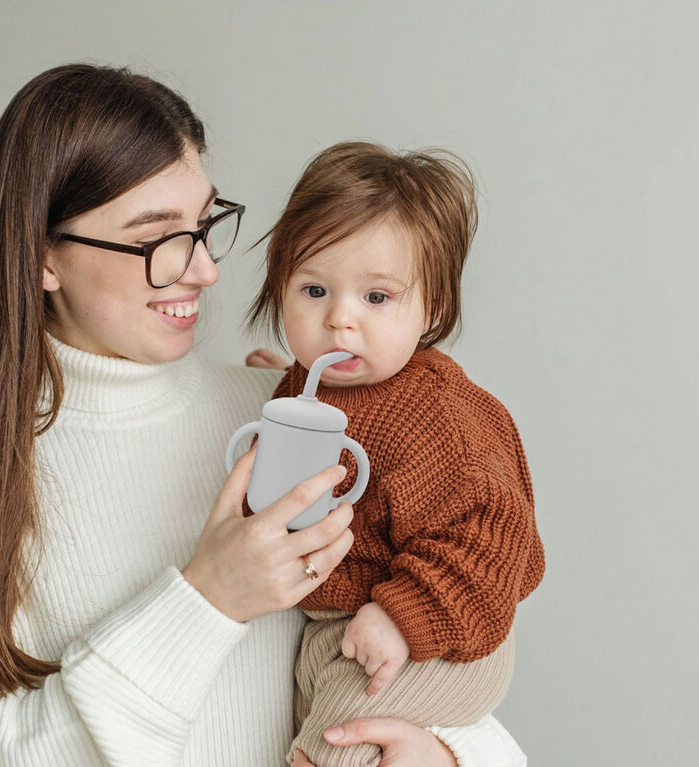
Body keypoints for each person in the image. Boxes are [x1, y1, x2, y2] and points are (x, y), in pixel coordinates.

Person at [0, 64, 528, 766]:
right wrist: (206, 598)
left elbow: (434, 670)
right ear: (43, 258)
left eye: (204, 223)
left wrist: (449, 758)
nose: (205, 270)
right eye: (158, 238)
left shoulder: (284, 415)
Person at [245, 142, 545, 766]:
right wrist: (278, 382)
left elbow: (491, 536)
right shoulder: (311, 386)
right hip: (342, 630)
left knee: (331, 754)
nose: (339, 320)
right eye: (314, 289)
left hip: (440, 628)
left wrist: (401, 615)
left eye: (376, 298)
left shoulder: (440, 420)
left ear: (431, 306)